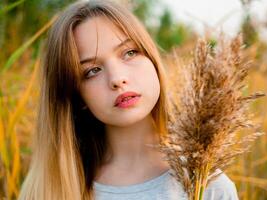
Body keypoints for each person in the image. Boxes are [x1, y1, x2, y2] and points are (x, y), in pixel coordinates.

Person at [19, 0, 239, 199]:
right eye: (92, 70)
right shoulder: (51, 189)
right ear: (76, 96)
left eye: (129, 53)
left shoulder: (207, 185)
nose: (117, 79)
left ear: (152, 58)